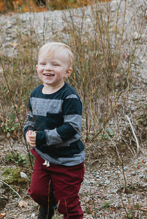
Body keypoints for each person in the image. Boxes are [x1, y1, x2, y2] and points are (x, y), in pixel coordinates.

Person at [23, 42, 85, 219]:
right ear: (37, 67)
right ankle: (47, 206)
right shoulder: (36, 93)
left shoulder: (69, 97)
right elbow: (30, 119)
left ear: (67, 72)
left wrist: (42, 137)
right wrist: (28, 131)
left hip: (67, 160)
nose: (48, 68)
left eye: (55, 64)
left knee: (67, 204)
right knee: (37, 192)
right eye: (43, 64)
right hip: (43, 156)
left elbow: (72, 128)